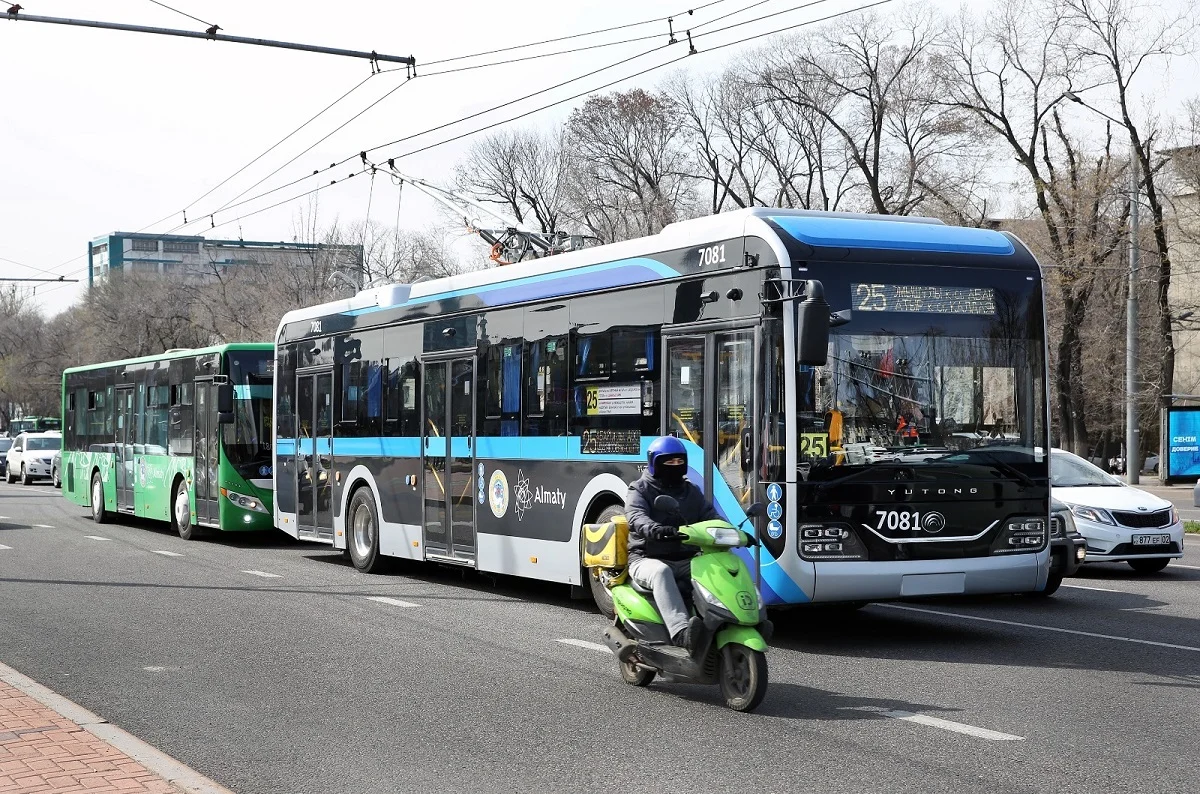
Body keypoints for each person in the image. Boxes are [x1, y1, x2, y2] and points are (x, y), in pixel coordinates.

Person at [624, 436, 719, 650]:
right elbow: (636, 515)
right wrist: (654, 529)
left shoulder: (690, 490)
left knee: (718, 567)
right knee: (661, 572)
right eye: (669, 462)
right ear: (654, 463)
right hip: (646, 557)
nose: (675, 466)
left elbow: (710, 516)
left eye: (679, 462)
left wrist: (733, 531)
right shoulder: (639, 489)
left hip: (686, 557)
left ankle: (724, 622)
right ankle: (681, 634)